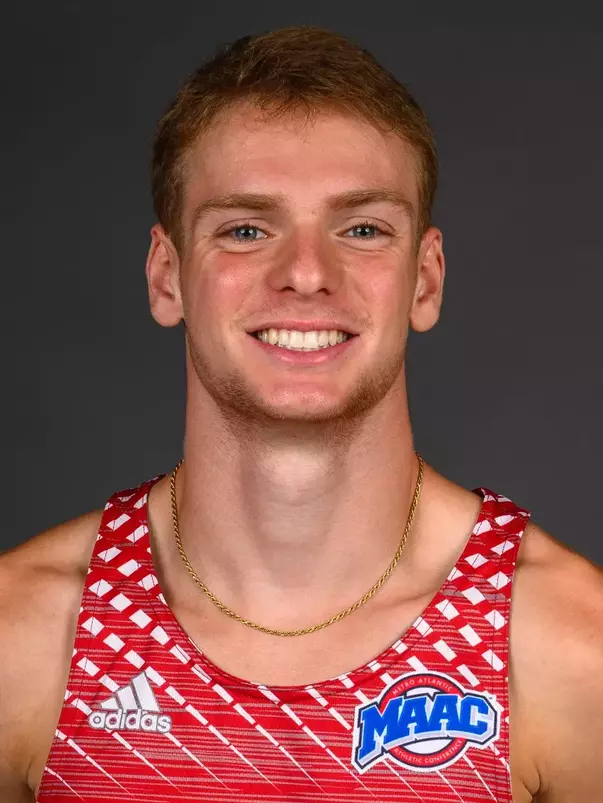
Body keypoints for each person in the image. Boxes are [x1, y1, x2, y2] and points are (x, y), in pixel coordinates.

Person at [1, 25, 601, 803]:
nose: (307, 274)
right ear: (166, 276)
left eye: (361, 229)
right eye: (246, 229)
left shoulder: (567, 647)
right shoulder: (25, 636)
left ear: (424, 281)